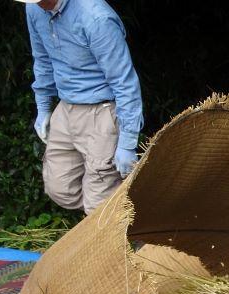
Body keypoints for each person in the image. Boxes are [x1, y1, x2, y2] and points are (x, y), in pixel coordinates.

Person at [17, 0, 143, 214]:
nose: (37, 5)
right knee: (60, 189)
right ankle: (122, 214)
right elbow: (42, 59)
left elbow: (124, 81)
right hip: (65, 108)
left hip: (102, 111)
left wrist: (128, 142)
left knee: (97, 205)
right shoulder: (33, 9)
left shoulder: (97, 18)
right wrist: (43, 105)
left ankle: (113, 231)